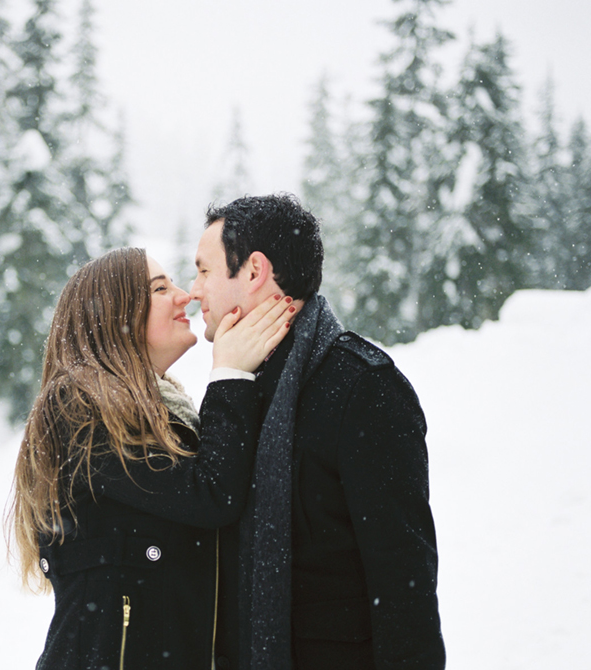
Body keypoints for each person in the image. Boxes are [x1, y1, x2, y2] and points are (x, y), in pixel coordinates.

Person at [9, 247, 297, 670]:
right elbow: (209, 494)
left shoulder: (160, 412)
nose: (185, 296)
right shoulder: (78, 409)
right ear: (113, 315)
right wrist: (231, 374)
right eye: (160, 288)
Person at [190, 194, 445, 670]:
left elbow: (402, 585)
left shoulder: (363, 387)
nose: (194, 290)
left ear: (253, 271)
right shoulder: (235, 390)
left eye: (204, 271)